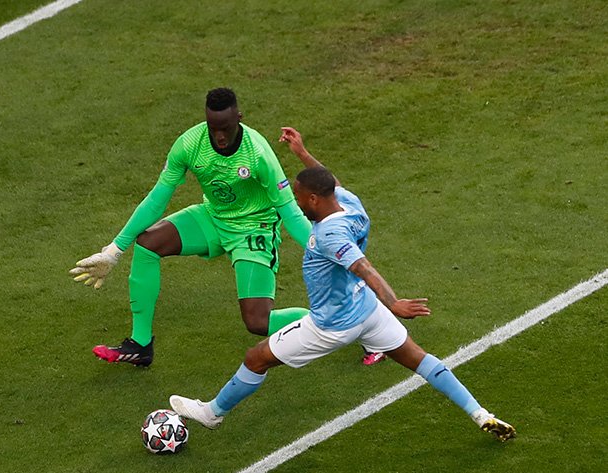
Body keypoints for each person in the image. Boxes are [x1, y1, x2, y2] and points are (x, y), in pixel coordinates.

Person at [168, 127, 516, 441]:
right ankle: (481, 414)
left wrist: (394, 302)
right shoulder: (349, 204)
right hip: (366, 309)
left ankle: (212, 413)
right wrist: (303, 154)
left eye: (300, 197)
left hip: (332, 324)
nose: (296, 202)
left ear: (315, 200)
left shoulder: (330, 234)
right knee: (421, 360)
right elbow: (327, 180)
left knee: (256, 357)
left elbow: (364, 267)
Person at [69, 88, 312, 366]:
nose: (219, 136)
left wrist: (328, 251)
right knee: (148, 244)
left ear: (239, 119)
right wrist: (114, 250)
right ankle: (140, 344)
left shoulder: (258, 154)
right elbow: (157, 200)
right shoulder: (190, 144)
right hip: (213, 217)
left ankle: (336, 318)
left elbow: (291, 214)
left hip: (252, 229)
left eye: (226, 128)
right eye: (213, 128)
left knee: (258, 322)